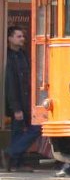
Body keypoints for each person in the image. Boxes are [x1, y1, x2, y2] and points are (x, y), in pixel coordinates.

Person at [2, 26, 40, 172]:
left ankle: (14, 159)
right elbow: (10, 85)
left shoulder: (23, 55)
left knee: (27, 131)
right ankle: (13, 157)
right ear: (10, 38)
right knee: (29, 129)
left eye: (22, 36)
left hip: (27, 102)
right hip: (17, 103)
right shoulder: (8, 57)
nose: (22, 39)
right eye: (18, 36)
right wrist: (16, 108)